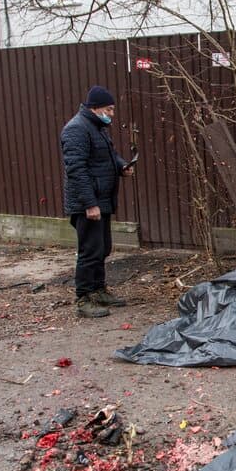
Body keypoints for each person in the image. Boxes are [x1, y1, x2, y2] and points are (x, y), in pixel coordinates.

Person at [61, 85, 135, 318]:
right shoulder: (76, 129)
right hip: (88, 203)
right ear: (95, 108)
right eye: (109, 109)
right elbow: (76, 169)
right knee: (90, 251)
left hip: (101, 199)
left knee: (102, 248)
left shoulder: (97, 128)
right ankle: (83, 298)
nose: (111, 114)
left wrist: (122, 166)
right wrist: (89, 204)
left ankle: (99, 290)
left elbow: (108, 156)